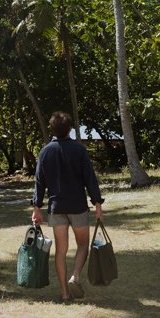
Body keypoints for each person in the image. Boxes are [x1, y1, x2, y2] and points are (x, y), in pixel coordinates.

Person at [31, 111, 104, 302]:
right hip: (78, 206)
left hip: (57, 208)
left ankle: (64, 293)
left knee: (61, 251)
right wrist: (97, 203)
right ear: (70, 128)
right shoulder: (79, 150)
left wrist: (36, 207)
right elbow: (90, 179)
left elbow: (39, 182)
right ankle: (75, 276)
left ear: (52, 130)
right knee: (83, 245)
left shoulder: (45, 152)